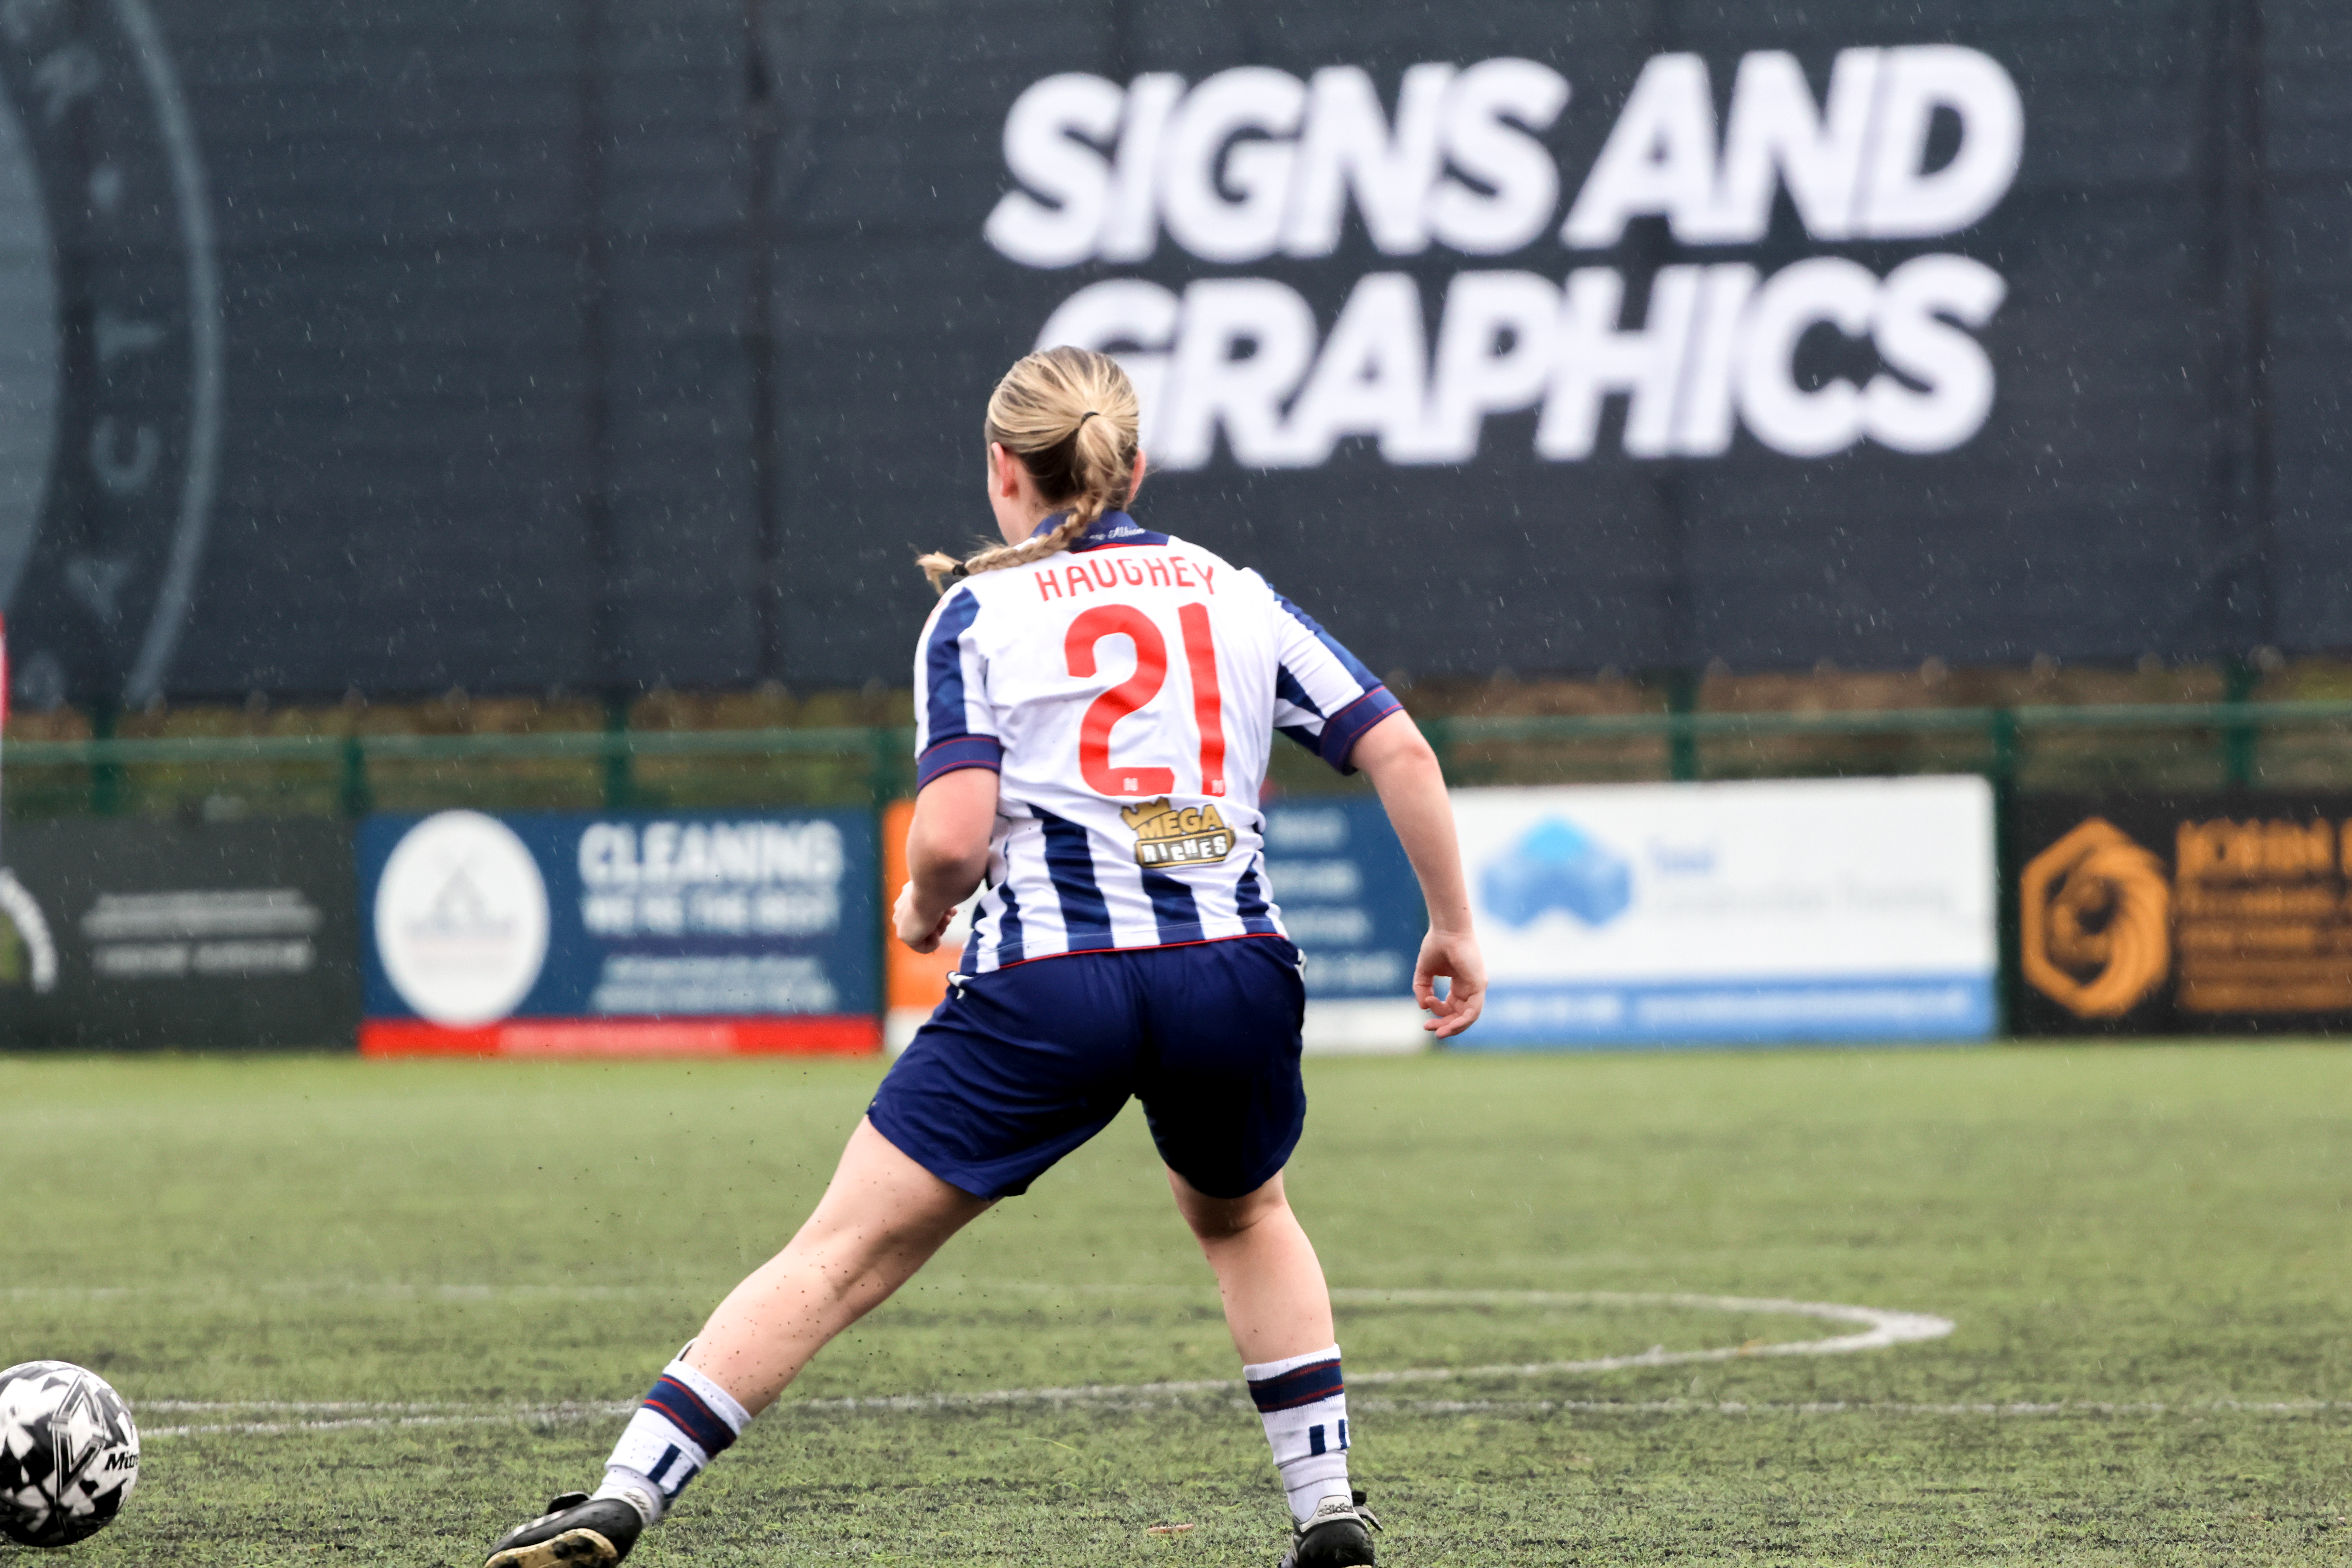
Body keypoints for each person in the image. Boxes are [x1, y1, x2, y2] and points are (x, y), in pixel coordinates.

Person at [483, 347, 1485, 1568]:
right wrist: (1451, 926)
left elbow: (954, 843)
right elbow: (1403, 754)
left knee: (840, 1256)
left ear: (1003, 469)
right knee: (1244, 1217)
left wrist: (915, 911)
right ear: (1137, 465)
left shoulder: (977, 610)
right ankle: (1327, 1509)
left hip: (1047, 992)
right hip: (1230, 970)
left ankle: (624, 1495)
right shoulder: (1236, 593)